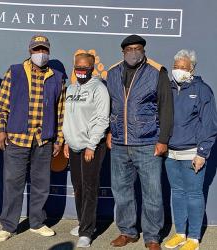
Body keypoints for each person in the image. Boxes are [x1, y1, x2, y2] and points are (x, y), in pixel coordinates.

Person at [0, 35, 65, 242]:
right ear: (30, 51)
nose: (40, 54)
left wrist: (59, 139)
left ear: (48, 52)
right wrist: (0, 130)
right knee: (12, 184)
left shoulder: (57, 76)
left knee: (41, 184)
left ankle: (36, 222)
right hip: (17, 138)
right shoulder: (15, 71)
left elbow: (60, 111)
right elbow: (2, 105)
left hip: (43, 140)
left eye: (43, 49)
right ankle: (8, 226)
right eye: (36, 50)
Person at [106, 34, 173, 250]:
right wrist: (109, 131)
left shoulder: (156, 71)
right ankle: (127, 231)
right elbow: (110, 105)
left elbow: (166, 107)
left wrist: (163, 139)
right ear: (123, 51)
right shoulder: (113, 72)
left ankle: (152, 237)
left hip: (147, 142)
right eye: (129, 49)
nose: (133, 52)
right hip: (119, 144)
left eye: (137, 48)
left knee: (152, 193)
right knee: (121, 191)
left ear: (143, 50)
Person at [164, 50, 217, 250]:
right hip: (170, 153)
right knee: (177, 193)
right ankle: (180, 233)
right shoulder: (167, 88)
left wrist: (202, 153)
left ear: (192, 69)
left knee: (194, 194)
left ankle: (193, 238)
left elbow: (209, 124)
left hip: (192, 153)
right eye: (176, 66)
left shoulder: (202, 90)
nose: (178, 70)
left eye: (183, 67)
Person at [63, 53, 110, 248]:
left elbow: (102, 119)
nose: (81, 70)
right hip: (73, 146)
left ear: (92, 68)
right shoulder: (71, 88)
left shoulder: (99, 89)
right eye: (78, 66)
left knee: (90, 188)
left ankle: (87, 231)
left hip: (92, 147)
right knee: (78, 186)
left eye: (85, 67)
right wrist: (66, 140)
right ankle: (83, 222)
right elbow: (69, 117)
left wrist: (92, 145)